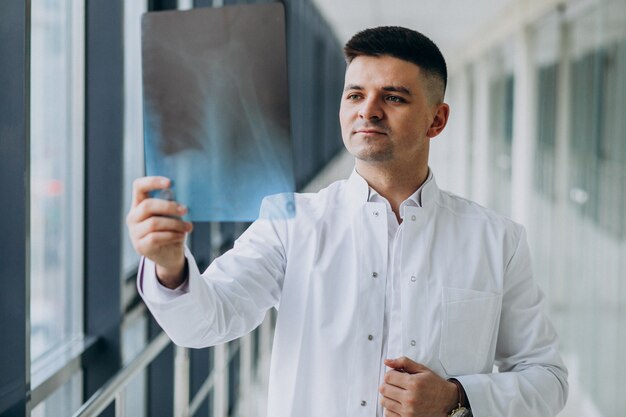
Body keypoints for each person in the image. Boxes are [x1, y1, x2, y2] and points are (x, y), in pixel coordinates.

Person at [127, 26, 568, 417]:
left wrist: (457, 399)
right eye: (355, 94)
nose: (368, 110)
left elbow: (548, 379)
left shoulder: (497, 240)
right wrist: (170, 267)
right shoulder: (289, 222)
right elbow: (205, 323)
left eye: (393, 97)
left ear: (437, 119)